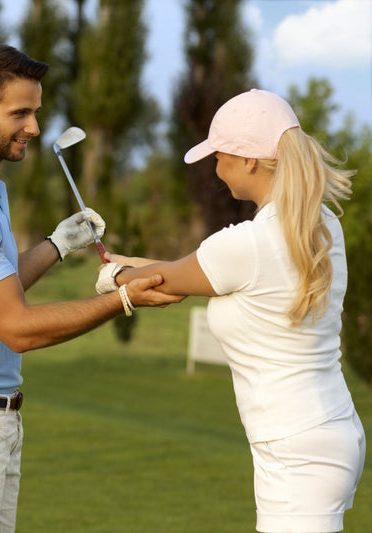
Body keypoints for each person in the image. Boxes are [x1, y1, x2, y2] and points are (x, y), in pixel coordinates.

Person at [0, 43, 182, 533]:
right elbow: (18, 328)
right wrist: (122, 300)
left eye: (36, 112)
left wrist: (57, 243)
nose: (33, 127)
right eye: (20, 113)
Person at [96, 89, 365, 533]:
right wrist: (123, 262)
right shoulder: (321, 224)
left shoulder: (247, 244)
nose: (216, 169)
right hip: (323, 430)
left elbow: (167, 280)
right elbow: (186, 269)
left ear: (249, 161)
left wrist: (110, 277)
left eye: (219, 157)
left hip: (295, 448)